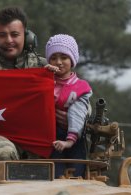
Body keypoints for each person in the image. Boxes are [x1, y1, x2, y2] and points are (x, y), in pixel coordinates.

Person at [0, 6, 47, 162]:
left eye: (14, 35)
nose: (8, 41)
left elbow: (75, 94)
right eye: (2, 35)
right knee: (3, 152)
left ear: (27, 37)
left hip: (38, 137)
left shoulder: (45, 69)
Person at [45, 34, 92, 178]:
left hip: (75, 139)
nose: (58, 62)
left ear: (72, 61)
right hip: (51, 139)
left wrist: (70, 141)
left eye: (64, 57)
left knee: (76, 176)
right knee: (55, 176)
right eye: (53, 58)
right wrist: (44, 76)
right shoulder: (44, 82)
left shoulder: (80, 87)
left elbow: (77, 113)